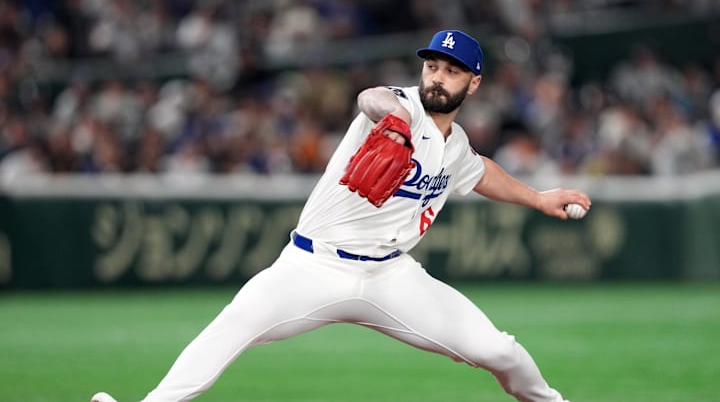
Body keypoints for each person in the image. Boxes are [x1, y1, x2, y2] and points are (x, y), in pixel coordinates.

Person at [92, 29, 590, 402]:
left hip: (391, 275)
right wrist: (394, 123)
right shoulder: (402, 105)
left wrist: (539, 198)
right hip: (312, 266)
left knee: (500, 351)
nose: (438, 77)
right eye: (433, 66)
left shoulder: (454, 144)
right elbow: (369, 97)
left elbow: (478, 171)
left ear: (473, 82)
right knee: (232, 326)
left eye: (452, 70)